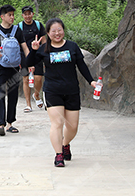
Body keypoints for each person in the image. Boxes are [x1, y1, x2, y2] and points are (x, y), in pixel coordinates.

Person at [27, 18, 98, 167]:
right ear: (48, 33)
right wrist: (33, 50)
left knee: (73, 127)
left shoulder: (72, 46)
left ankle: (65, 144)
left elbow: (81, 65)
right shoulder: (44, 48)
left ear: (63, 30)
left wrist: (91, 81)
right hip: (53, 91)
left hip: (71, 90)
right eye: (53, 31)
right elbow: (28, 64)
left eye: (59, 30)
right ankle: (58, 155)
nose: (57, 33)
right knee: (57, 123)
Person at [0, 5, 30, 136]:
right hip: (0, 67)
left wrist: (30, 62)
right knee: (0, 94)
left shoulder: (17, 30)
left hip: (15, 67)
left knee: (13, 95)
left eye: (13, 15)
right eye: (9, 15)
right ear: (2, 16)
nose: (12, 17)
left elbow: (25, 48)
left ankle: (10, 123)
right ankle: (1, 124)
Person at [18, 6, 47, 112]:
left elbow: (44, 41)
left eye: (29, 13)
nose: (27, 16)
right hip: (24, 56)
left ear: (32, 14)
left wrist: (45, 55)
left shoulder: (38, 25)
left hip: (37, 55)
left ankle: (36, 95)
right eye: (25, 14)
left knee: (38, 78)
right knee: (25, 79)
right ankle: (28, 104)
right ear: (22, 15)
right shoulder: (20, 27)